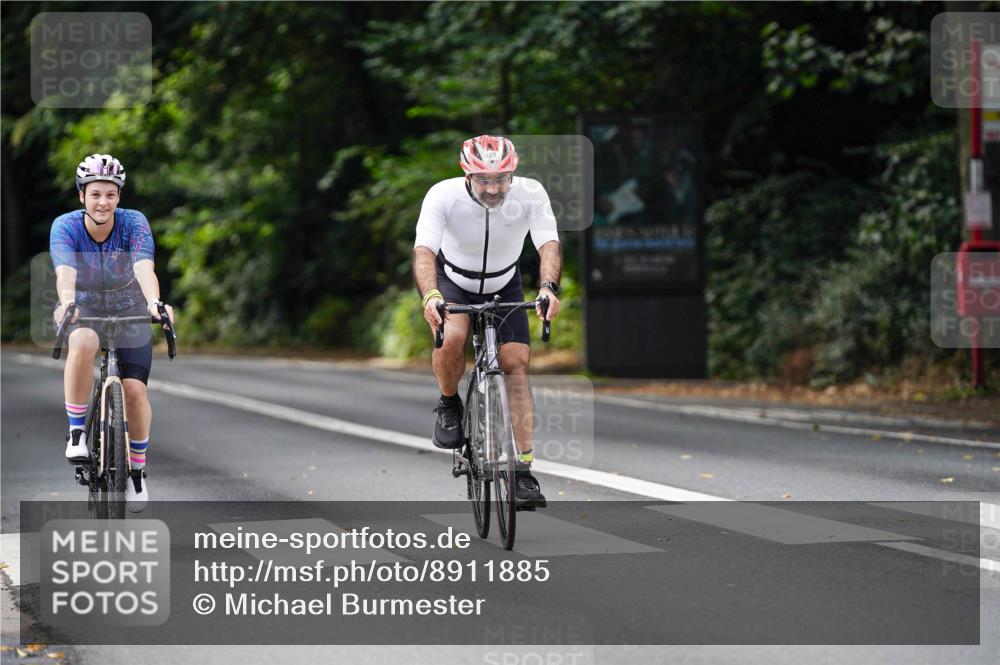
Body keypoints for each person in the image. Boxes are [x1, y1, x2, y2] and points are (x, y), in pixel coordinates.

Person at [412, 135, 562, 508]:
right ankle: (449, 403)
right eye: (484, 179)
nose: (494, 188)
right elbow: (424, 252)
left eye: (502, 179)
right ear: (467, 174)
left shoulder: (531, 193)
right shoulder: (442, 196)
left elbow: (548, 244)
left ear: (513, 173)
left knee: (516, 366)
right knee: (450, 341)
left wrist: (548, 288)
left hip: (504, 282)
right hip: (454, 282)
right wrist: (431, 296)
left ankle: (523, 473)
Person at [49, 154, 174, 512]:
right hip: (85, 306)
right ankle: (77, 432)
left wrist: (154, 302)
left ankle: (136, 471)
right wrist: (68, 303)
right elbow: (65, 272)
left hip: (131, 307)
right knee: (84, 340)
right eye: (95, 194)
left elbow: (143, 265)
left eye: (110, 194)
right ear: (82, 197)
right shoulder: (66, 226)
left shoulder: (134, 223)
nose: (103, 201)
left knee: (134, 391)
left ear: (119, 197)